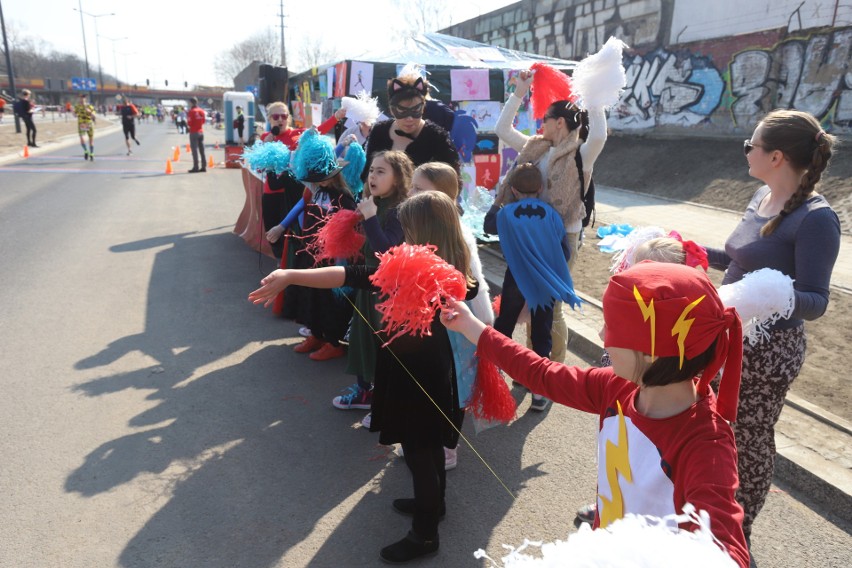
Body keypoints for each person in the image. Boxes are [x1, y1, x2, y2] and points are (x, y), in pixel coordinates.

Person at [441, 261, 750, 568]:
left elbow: (725, 548)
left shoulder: (706, 445)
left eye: (612, 326)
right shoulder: (616, 388)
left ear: (651, 350)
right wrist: (472, 327)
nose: (602, 333)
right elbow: (542, 374)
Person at [250, 191, 478, 563]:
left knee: (420, 451)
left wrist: (292, 274)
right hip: (427, 367)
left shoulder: (416, 269)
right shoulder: (448, 265)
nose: (398, 236)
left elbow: (352, 274)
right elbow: (354, 274)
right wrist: (291, 275)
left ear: (422, 231)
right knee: (428, 447)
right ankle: (433, 505)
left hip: (416, 373)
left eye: (404, 229)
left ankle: (425, 535)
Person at [704, 109, 840, 548]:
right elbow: (742, 258)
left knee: (749, 440)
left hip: (768, 351)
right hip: (729, 333)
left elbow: (817, 300)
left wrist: (774, 296)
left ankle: (739, 529)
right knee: (716, 427)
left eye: (752, 145)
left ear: (777, 156)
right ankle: (710, 510)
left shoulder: (817, 218)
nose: (746, 150)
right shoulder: (760, 196)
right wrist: (687, 251)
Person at [495, 68, 607, 365]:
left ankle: (550, 371)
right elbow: (503, 130)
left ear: (559, 123)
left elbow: (599, 133)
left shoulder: (582, 153)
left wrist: (593, 97)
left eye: (544, 118)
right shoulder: (537, 147)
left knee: (550, 306)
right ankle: (535, 364)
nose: (540, 123)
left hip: (562, 238)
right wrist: (519, 91)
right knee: (535, 302)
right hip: (529, 236)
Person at [484, 162, 580, 411]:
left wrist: (498, 201)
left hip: (516, 276)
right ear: (540, 188)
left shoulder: (505, 215)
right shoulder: (551, 215)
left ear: (513, 190)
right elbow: (564, 252)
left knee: (504, 325)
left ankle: (494, 377)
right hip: (544, 280)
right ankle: (538, 392)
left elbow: (487, 226)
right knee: (541, 332)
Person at [331, 150, 411, 420]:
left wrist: (370, 217)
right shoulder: (373, 201)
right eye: (372, 170)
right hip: (367, 284)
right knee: (362, 338)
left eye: (381, 171)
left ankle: (385, 400)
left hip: (386, 290)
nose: (373, 176)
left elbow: (384, 249)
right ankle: (365, 391)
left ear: (398, 179)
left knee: (382, 343)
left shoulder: (400, 210)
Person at [363, 73, 460, 192]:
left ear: (423, 108)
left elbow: (453, 181)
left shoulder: (437, 137)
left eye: (415, 111)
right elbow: (368, 173)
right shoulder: (379, 132)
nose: (409, 119)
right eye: (402, 111)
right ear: (392, 110)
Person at [73, 93, 96, 160]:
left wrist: (90, 112)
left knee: (91, 140)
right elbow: (75, 114)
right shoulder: (77, 106)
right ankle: (86, 151)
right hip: (81, 124)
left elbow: (94, 115)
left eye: (83, 98)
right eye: (81, 98)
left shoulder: (89, 106)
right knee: (82, 138)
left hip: (89, 123)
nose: (82, 99)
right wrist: (74, 113)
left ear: (85, 99)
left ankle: (91, 154)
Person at [186, 97, 207, 173]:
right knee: (202, 150)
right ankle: (204, 166)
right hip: (201, 131)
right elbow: (204, 121)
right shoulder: (201, 111)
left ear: (191, 103)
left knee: (194, 150)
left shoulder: (191, 112)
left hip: (194, 132)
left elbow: (189, 123)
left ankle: (196, 167)